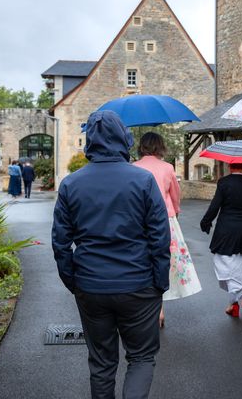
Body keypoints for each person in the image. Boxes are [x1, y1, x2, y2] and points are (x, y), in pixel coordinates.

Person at [52, 110, 170, 399]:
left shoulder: (71, 184)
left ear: (89, 141)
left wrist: (74, 281)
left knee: (102, 363)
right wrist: (159, 282)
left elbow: (60, 243)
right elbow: (159, 236)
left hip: (91, 285)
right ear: (123, 139)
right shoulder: (142, 181)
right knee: (141, 357)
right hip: (138, 283)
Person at [133, 132, 202, 327]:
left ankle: (143, 306)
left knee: (142, 262)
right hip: (165, 221)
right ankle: (159, 309)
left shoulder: (133, 168)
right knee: (164, 263)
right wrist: (175, 212)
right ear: (160, 146)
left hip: (139, 222)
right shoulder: (167, 168)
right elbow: (175, 196)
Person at [200, 162, 242, 317]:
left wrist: (206, 222)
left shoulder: (224, 182)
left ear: (229, 165)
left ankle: (235, 303)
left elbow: (215, 206)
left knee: (226, 265)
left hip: (226, 230)